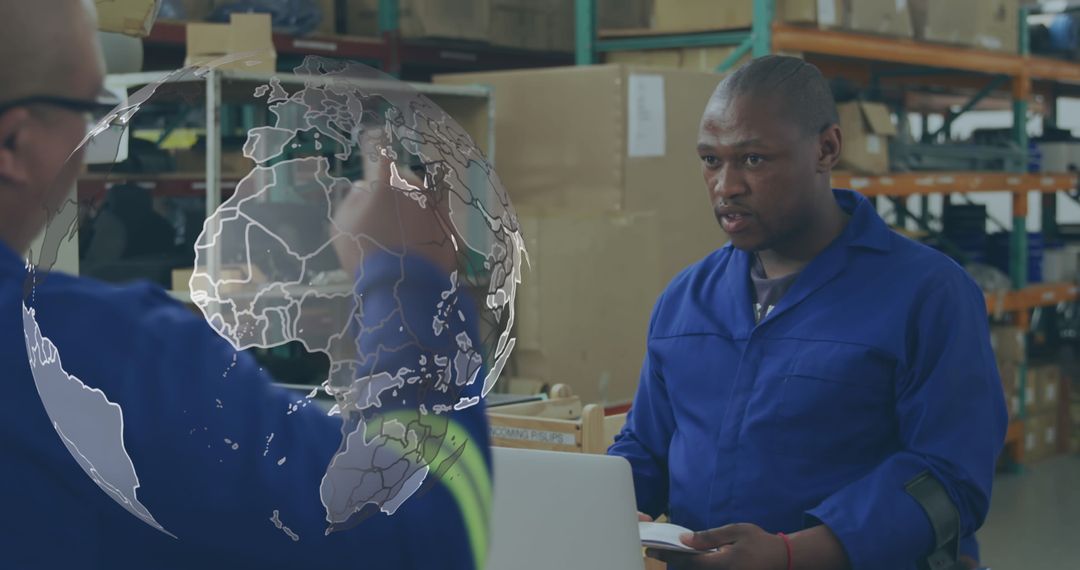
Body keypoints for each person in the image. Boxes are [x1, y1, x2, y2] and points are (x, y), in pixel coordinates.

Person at [0, 1, 491, 568]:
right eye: (91, 110)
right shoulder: (88, 365)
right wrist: (409, 280)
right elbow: (423, 526)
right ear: (14, 145)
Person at [608, 55, 1007, 570]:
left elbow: (949, 477)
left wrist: (793, 554)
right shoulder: (686, 299)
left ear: (826, 148)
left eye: (753, 160)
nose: (726, 186)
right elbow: (647, 446)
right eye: (711, 160)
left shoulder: (928, 295)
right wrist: (585, 503)